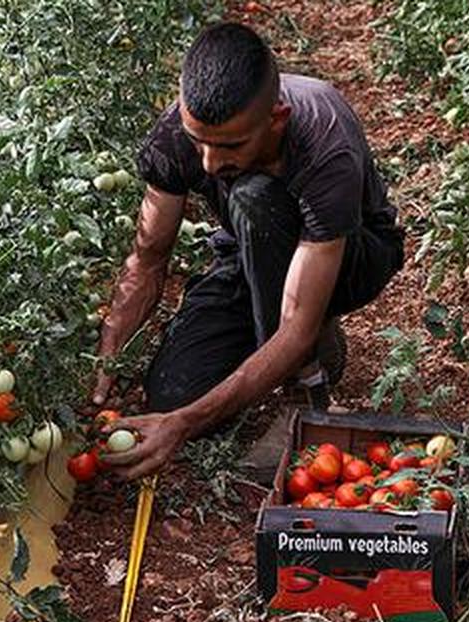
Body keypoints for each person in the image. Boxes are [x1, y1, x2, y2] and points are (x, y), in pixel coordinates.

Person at [92, 21, 403, 479]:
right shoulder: (175, 135)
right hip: (249, 252)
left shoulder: (322, 141)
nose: (209, 163)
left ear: (275, 118)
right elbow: (149, 257)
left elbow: (295, 324)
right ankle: (294, 342)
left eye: (230, 145)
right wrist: (109, 357)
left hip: (349, 257)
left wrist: (181, 427)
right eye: (198, 141)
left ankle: (305, 392)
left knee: (252, 196)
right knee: (172, 397)